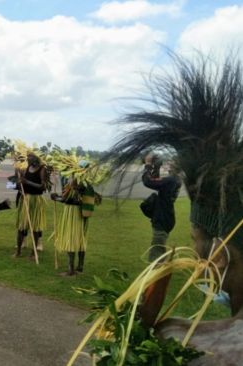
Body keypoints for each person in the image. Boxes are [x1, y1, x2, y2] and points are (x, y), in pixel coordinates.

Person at [104, 52, 243, 364]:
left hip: (161, 220)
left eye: (196, 240)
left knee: (158, 245)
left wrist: (139, 333)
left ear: (219, 255)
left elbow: (152, 185)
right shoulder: (172, 183)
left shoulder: (181, 342)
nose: (195, 254)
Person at [141, 155, 181, 261]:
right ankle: (162, 268)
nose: (168, 163)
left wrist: (148, 165)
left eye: (171, 163)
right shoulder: (174, 180)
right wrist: (157, 167)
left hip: (162, 220)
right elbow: (156, 180)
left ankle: (156, 274)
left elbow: (148, 181)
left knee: (155, 255)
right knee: (159, 250)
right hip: (166, 218)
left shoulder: (170, 180)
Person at [14, 152, 47, 257]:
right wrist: (20, 182)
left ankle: (34, 253)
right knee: (21, 226)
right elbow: (22, 182)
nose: (28, 160)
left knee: (35, 228)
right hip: (26, 199)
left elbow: (43, 187)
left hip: (35, 200)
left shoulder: (42, 169)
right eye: (27, 158)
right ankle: (18, 251)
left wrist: (27, 182)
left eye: (30, 158)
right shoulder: (27, 167)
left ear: (36, 158)